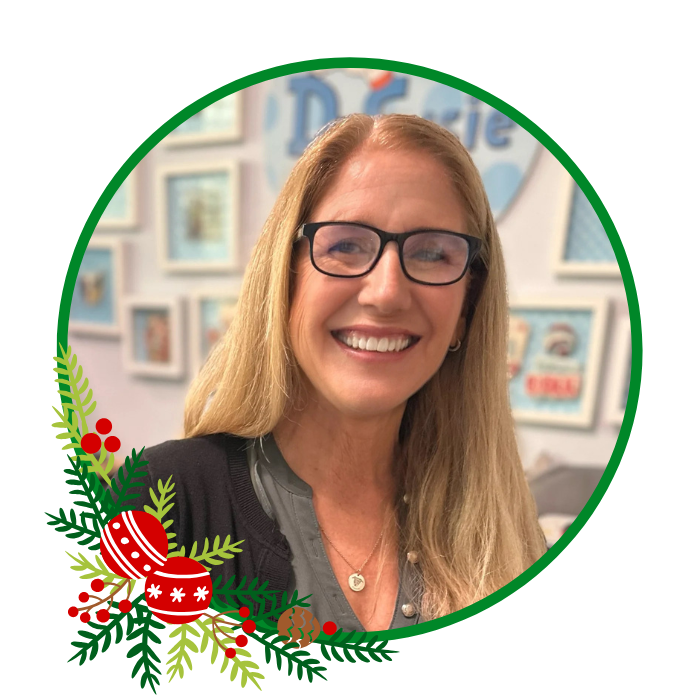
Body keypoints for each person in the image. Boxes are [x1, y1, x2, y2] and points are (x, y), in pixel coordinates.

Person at [134, 113, 546, 632]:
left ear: (466, 307)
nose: (387, 293)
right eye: (346, 245)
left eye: (432, 253)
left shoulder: (508, 535)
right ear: (286, 279)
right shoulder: (157, 501)